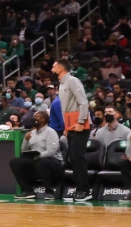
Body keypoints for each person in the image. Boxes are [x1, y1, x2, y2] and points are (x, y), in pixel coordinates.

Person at [54, 59, 92, 202]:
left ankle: (85, 190)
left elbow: (83, 102)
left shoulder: (73, 81)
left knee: (78, 157)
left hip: (79, 124)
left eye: (54, 65)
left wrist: (81, 121)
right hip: (70, 125)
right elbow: (66, 108)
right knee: (73, 159)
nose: (52, 68)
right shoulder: (62, 83)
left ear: (60, 68)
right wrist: (66, 126)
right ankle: (79, 188)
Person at [10, 112, 65, 199]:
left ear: (43, 119)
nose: (34, 118)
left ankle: (49, 192)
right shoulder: (32, 133)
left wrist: (37, 157)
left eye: (37, 117)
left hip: (54, 161)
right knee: (15, 162)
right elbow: (23, 150)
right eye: (34, 116)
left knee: (41, 162)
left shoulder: (51, 132)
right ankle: (28, 190)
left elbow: (51, 151)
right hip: (37, 159)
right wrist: (26, 140)